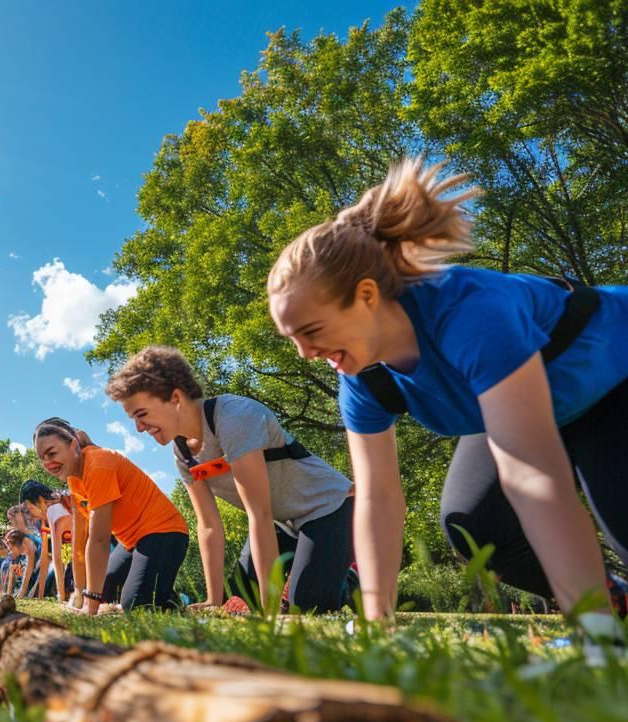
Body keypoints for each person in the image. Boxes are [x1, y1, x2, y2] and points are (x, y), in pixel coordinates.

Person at [267, 157, 628, 638]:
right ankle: (612, 601)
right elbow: (378, 497)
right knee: (474, 523)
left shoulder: (469, 314)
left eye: (311, 331)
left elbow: (530, 475)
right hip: (526, 408)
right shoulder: (362, 376)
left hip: (611, 377)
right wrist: (377, 623)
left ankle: (597, 622)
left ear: (368, 295)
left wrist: (593, 634)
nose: (306, 353)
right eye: (292, 338)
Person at [106, 346, 355, 613]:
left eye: (142, 414)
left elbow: (258, 513)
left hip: (329, 508)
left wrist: (269, 613)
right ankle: (315, 571)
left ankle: (347, 580)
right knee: (238, 604)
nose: (139, 428)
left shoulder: (235, 416)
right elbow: (209, 526)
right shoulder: (182, 454)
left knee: (301, 610)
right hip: (282, 524)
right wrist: (214, 600)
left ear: (175, 397)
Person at [33, 417, 189, 614]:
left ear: (73, 444)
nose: (48, 463)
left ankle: (170, 600)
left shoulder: (98, 464)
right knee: (103, 590)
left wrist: (90, 605)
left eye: (52, 453)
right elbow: (80, 541)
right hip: (131, 542)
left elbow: (99, 540)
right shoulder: (74, 479)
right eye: (42, 458)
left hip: (164, 533)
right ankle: (160, 593)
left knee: (136, 605)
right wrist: (82, 592)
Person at [20, 481, 78, 601]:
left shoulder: (55, 510)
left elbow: (58, 558)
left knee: (70, 584)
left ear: (41, 500)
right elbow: (45, 559)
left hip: (100, 548)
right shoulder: (42, 521)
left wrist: (60, 595)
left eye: (30, 508)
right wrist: (40, 596)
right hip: (76, 555)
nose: (30, 514)